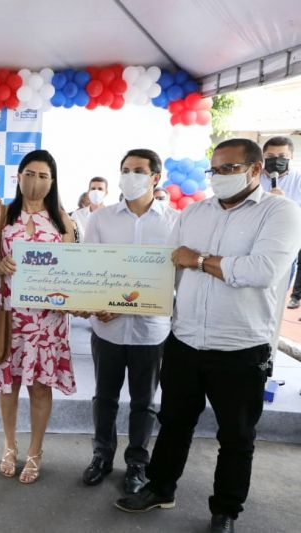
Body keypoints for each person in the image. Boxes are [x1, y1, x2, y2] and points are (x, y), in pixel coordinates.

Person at [115, 139, 301, 533]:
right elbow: (166, 268)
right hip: (184, 340)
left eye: (229, 169)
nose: (219, 177)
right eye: (214, 170)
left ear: (255, 170)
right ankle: (161, 488)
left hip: (241, 346)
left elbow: (261, 271)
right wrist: (114, 298)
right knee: (174, 422)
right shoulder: (195, 213)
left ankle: (226, 510)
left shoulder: (281, 213)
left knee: (236, 435)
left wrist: (198, 261)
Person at [79, 149, 178, 495]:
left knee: (144, 402)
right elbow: (89, 269)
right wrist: (95, 304)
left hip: (151, 331)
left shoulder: (175, 222)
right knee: (104, 397)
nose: (130, 176)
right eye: (125, 170)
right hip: (107, 328)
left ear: (155, 178)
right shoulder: (102, 219)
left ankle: (137, 462)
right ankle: (101, 456)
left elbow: (174, 278)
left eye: (138, 170)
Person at [0, 149, 76, 484]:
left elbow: (73, 270)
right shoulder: (2, 215)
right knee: (8, 385)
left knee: (39, 387)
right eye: (30, 174)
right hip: (9, 315)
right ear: (18, 177)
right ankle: (9, 446)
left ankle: (35, 451)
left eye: (43, 176)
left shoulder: (63, 219)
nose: (36, 181)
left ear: (52, 181)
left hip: (47, 320)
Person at [258, 137, 301, 309]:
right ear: (263, 156)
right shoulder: (253, 176)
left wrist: (284, 205)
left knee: (275, 295)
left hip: (285, 244)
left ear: (291, 156)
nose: (276, 160)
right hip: (255, 239)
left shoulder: (298, 179)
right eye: (270, 155)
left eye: (282, 155)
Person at [71, 176, 108, 240]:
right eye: (93, 189)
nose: (96, 192)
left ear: (106, 193)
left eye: (100, 189)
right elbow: (72, 240)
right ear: (88, 192)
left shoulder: (112, 216)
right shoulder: (77, 215)